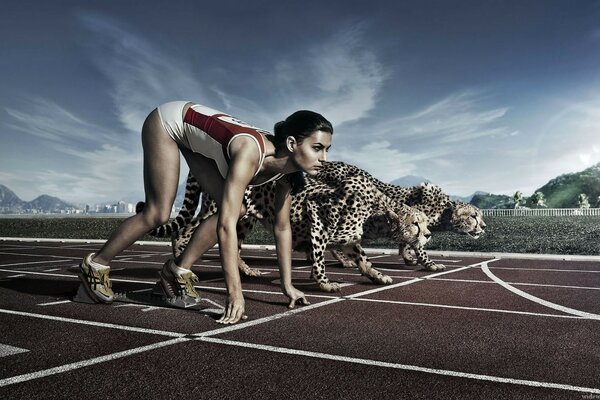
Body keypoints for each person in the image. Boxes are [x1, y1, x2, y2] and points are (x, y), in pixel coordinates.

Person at [78, 101, 333, 324]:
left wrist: (287, 285)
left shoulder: (288, 174)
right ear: (291, 143)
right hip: (169, 122)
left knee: (238, 208)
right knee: (158, 213)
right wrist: (235, 293)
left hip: (193, 136)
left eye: (326, 150)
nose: (324, 158)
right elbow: (226, 227)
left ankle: (175, 273)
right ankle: (95, 265)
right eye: (317, 148)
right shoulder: (250, 152)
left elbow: (282, 227)